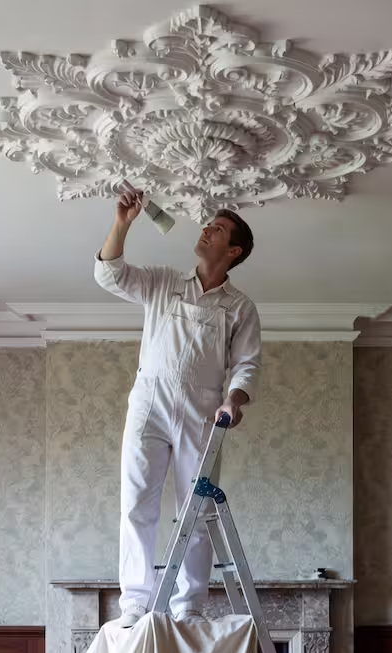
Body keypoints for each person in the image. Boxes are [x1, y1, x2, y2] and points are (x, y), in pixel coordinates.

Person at [94, 185, 262, 628]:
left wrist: (234, 400)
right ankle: (135, 603)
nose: (206, 229)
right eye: (208, 224)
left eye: (218, 229)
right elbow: (110, 275)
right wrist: (122, 224)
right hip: (148, 402)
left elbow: (247, 364)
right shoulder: (163, 282)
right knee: (137, 503)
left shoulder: (240, 307)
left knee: (197, 510)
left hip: (203, 411)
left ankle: (188, 606)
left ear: (234, 250)